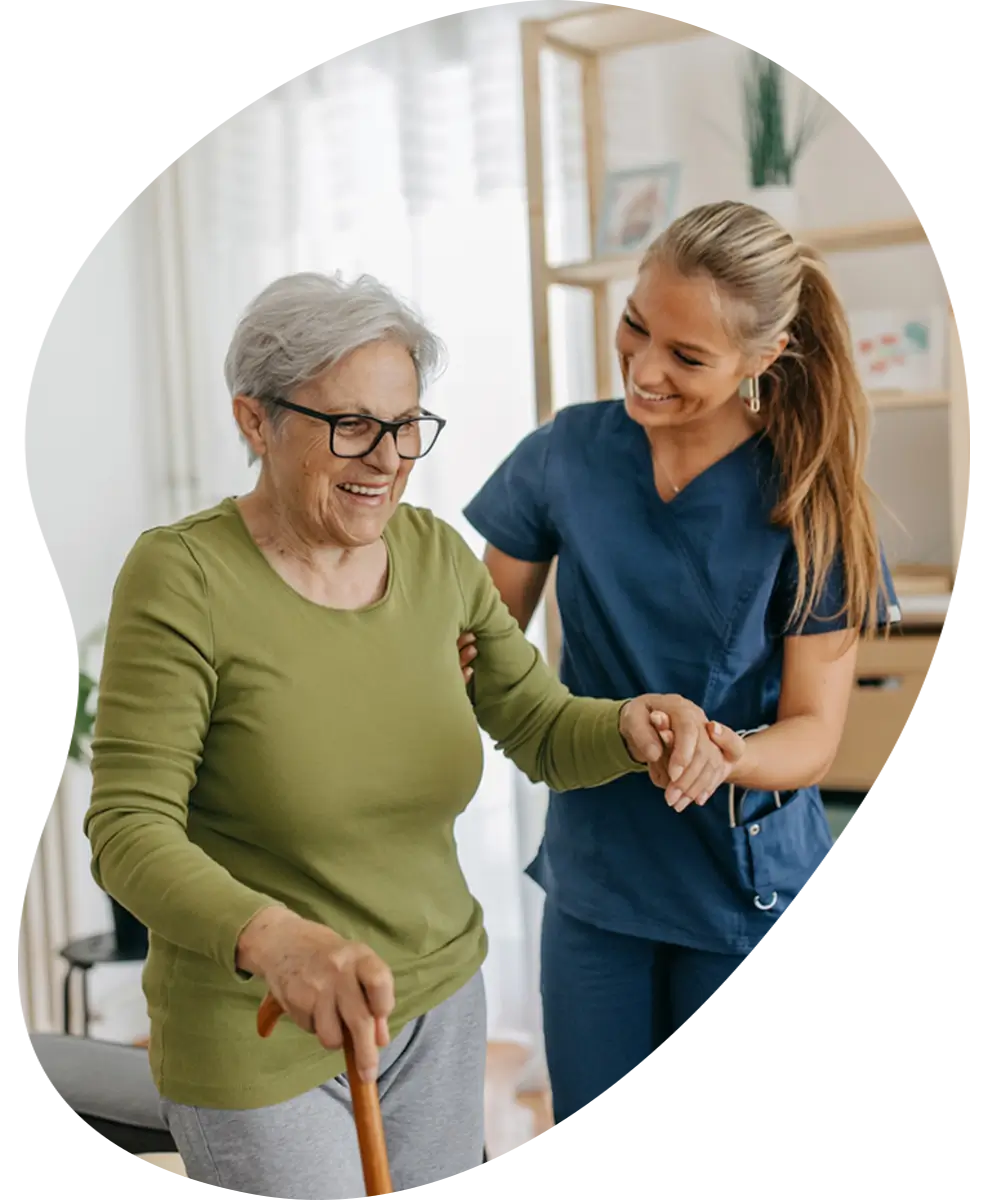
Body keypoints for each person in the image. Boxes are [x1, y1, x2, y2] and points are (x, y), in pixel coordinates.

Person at [83, 271, 735, 1198]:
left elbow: (541, 728)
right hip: (260, 1022)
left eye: (406, 426)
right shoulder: (183, 577)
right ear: (255, 420)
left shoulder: (433, 557)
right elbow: (128, 829)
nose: (387, 457)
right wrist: (276, 942)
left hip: (436, 1003)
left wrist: (632, 726)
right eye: (351, 424)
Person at [461, 200, 901, 1127]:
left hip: (745, 893)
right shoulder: (565, 457)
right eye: (635, 326)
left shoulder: (807, 498)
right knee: (601, 1155)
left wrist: (725, 753)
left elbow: (814, 733)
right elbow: (476, 645)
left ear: (762, 359)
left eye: (688, 357)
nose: (645, 368)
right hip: (598, 885)